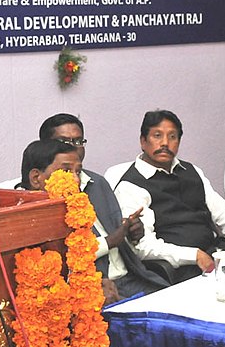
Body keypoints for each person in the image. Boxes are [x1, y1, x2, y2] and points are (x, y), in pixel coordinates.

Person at [105, 110, 225, 284]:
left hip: (216, 256)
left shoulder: (192, 171)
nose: (165, 143)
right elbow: (143, 247)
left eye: (172, 137)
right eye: (157, 136)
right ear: (143, 141)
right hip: (179, 269)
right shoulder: (131, 185)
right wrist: (193, 255)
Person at [37, 114, 169, 300]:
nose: (73, 147)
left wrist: (132, 231)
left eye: (78, 141)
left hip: (132, 275)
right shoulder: (47, 193)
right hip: (95, 286)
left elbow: (119, 232)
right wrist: (111, 240)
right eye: (64, 141)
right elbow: (64, 255)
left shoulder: (98, 182)